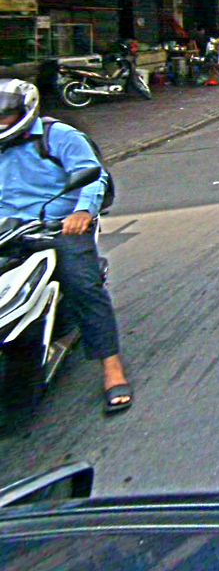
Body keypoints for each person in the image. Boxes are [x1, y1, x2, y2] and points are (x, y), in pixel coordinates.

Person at [0, 79, 133, 413]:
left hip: (57, 226)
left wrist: (82, 212)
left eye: (4, 116)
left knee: (83, 286)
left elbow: (92, 174)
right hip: (6, 230)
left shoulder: (57, 135)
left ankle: (111, 367)